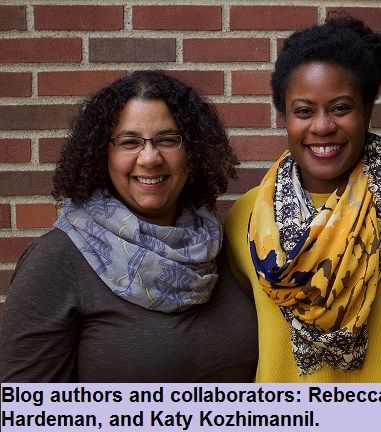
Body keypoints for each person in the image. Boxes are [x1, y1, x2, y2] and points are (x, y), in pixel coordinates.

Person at [225, 16, 381, 382]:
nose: (322, 126)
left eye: (341, 108)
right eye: (304, 111)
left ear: (367, 109)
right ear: (284, 117)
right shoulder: (247, 217)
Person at [0, 71, 258, 382]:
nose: (149, 158)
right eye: (129, 142)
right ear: (102, 154)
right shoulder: (56, 260)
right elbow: (25, 406)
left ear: (192, 150)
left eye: (167, 140)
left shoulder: (222, 244)